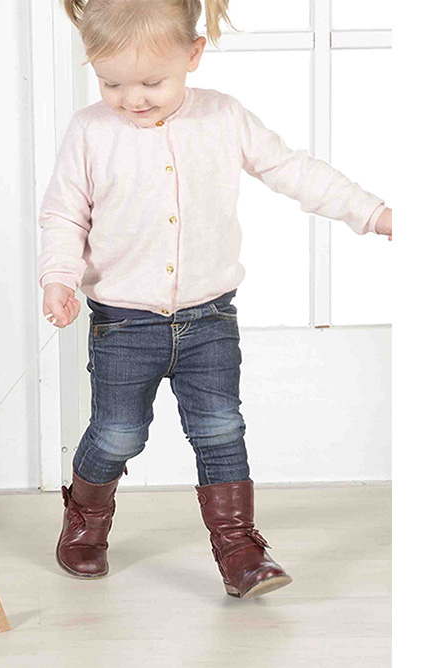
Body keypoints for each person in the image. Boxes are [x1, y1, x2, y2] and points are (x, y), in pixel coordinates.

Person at [39, 0, 392, 598]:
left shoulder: (223, 117)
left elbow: (294, 170)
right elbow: (65, 214)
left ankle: (239, 550)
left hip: (209, 318)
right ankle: (86, 516)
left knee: (221, 428)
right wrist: (59, 277)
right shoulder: (90, 131)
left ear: (193, 54)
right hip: (123, 324)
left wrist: (375, 214)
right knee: (119, 434)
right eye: (112, 83)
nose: (133, 99)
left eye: (152, 82)